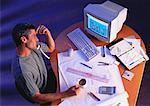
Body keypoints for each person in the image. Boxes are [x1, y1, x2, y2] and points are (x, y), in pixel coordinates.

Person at [11, 23, 80, 105]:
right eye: (34, 36)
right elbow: (37, 97)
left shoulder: (32, 46)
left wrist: (47, 33)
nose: (37, 39)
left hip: (46, 77)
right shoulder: (23, 71)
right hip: (43, 93)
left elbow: (51, 48)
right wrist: (66, 94)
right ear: (24, 39)